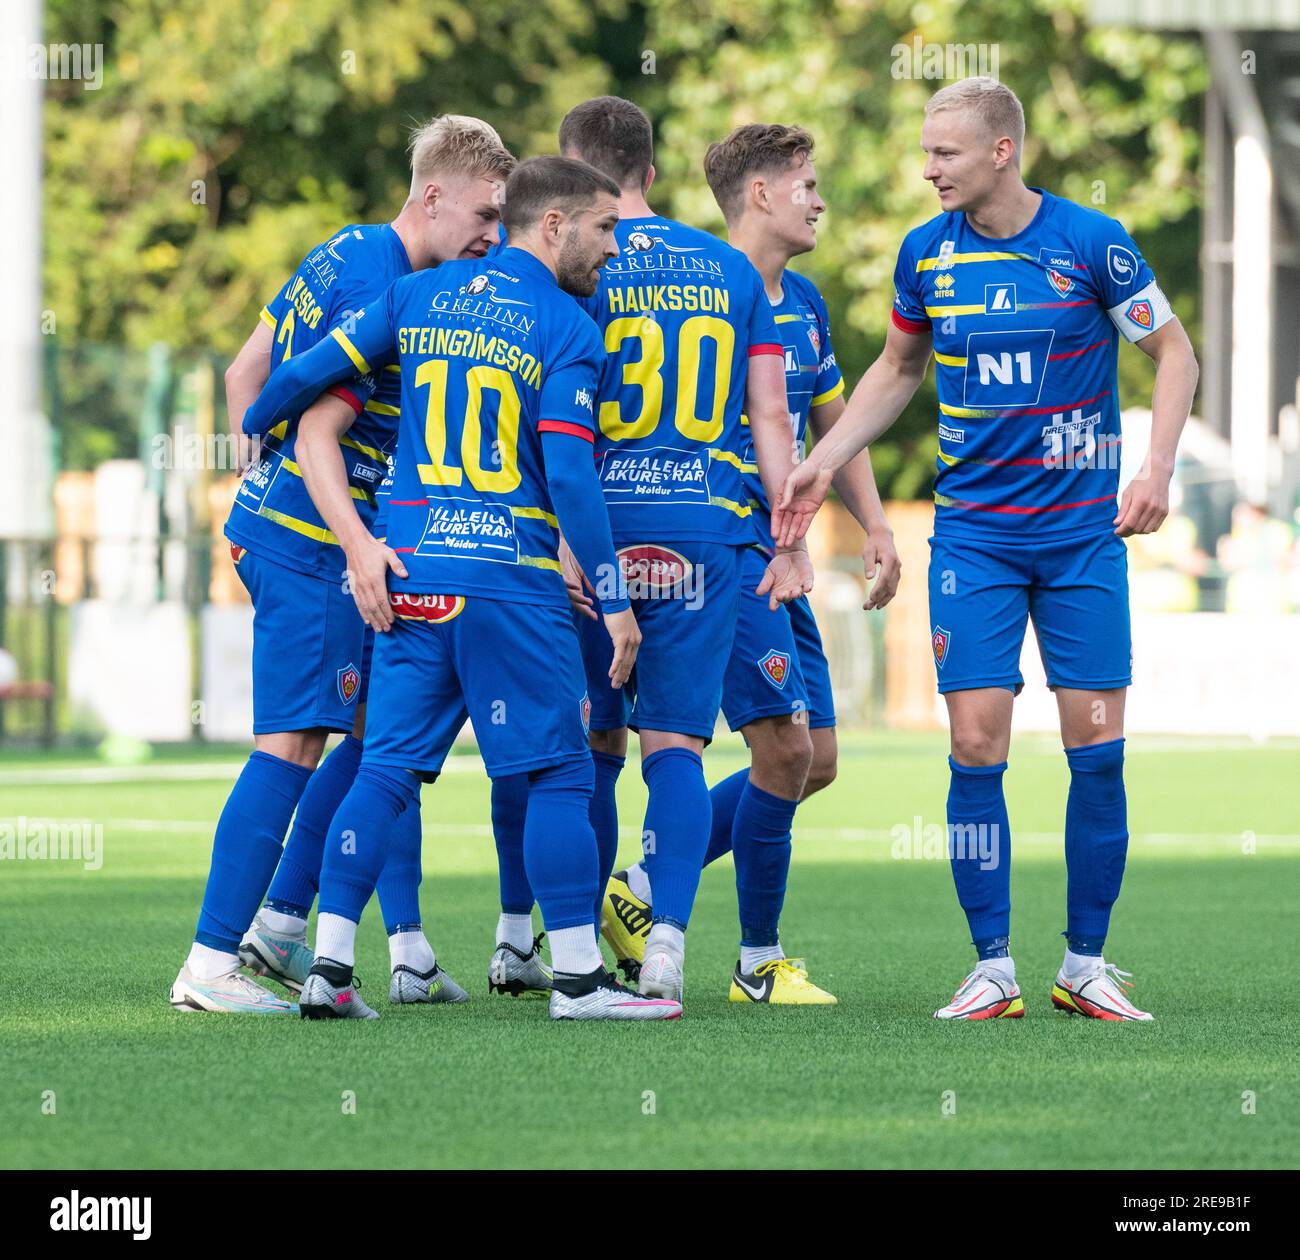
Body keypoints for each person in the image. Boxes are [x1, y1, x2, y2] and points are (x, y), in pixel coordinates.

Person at [777, 77, 1199, 1021]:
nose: (929, 171)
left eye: (946, 154)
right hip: (974, 535)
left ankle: (1085, 964)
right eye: (926, 153)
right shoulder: (926, 254)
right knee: (974, 743)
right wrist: (823, 460)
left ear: (1002, 151)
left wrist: (1157, 467)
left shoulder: (1092, 242)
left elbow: (1176, 354)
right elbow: (896, 370)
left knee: (1097, 750)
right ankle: (993, 967)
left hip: (1085, 535)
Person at [239, 155, 681, 1022]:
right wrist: (616, 598)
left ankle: (329, 968)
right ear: (552, 226)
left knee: (385, 769)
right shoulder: (566, 326)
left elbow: (301, 376)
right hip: (509, 580)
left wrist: (259, 421)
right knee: (558, 770)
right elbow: (569, 472)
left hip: (412, 578)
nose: (613, 248)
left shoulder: (417, 297)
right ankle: (583, 985)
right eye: (602, 228)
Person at [170, 116, 513, 1015]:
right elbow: (318, 429)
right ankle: (210, 964)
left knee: (370, 743)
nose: (492, 234)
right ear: (431, 195)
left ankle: (284, 933)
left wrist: (255, 497)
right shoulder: (384, 284)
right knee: (292, 743)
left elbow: (247, 372)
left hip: (290, 533)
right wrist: (345, 538)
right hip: (322, 549)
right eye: (482, 213)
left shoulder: (341, 251)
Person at [603, 123, 900, 1004]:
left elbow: (832, 428)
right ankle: (756, 963)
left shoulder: (803, 303)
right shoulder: (692, 285)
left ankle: (646, 886)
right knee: (778, 750)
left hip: (780, 554)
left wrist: (877, 526)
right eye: (805, 182)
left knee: (816, 759)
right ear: (760, 194)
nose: (819, 198)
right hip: (726, 553)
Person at [545, 96, 819, 1004]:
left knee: (594, 742)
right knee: (678, 750)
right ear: (653, 173)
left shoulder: (582, 262)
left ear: (577, 175)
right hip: (704, 527)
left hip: (600, 529)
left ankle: (577, 948)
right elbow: (774, 415)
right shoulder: (729, 267)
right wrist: (788, 534)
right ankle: (665, 948)